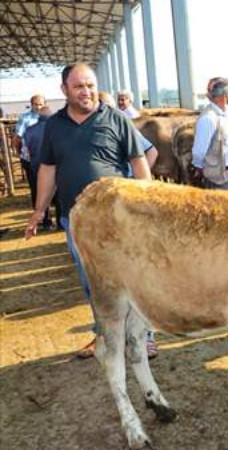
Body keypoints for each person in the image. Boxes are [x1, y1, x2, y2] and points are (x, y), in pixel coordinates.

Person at [24, 62, 155, 359]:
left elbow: (139, 161)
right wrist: (38, 210)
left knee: (129, 277)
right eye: (79, 86)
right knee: (90, 280)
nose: (87, 92)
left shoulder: (117, 118)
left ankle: (144, 336)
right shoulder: (54, 126)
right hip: (76, 220)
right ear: (64, 90)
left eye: (91, 85)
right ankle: (104, 336)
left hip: (117, 218)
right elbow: (48, 168)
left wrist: (147, 203)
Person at [191, 77, 228, 191]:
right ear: (225, 97)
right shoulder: (209, 118)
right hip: (219, 177)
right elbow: (199, 151)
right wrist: (201, 168)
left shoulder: (225, 115)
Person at [23, 106, 61, 231]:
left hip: (36, 166)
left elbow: (27, 149)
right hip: (55, 166)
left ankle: (45, 222)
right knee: (58, 194)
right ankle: (61, 222)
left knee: (39, 193)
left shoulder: (29, 130)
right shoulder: (57, 129)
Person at [99, 91, 159, 169]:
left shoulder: (124, 121)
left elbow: (151, 151)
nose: (120, 102)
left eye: (123, 100)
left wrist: (139, 176)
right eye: (119, 100)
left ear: (130, 101)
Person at [13, 95, 47, 224]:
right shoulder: (25, 118)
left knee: (52, 187)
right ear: (31, 105)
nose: (38, 107)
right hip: (30, 159)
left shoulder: (51, 118)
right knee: (36, 188)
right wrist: (19, 152)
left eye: (40, 104)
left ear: (45, 104)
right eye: (36, 104)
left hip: (48, 158)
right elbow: (17, 137)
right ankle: (42, 218)